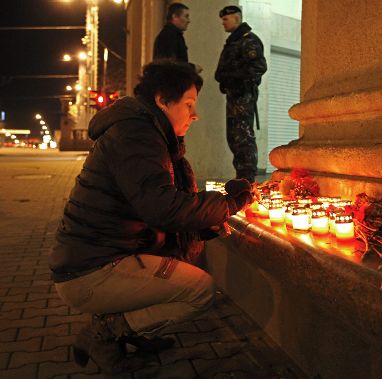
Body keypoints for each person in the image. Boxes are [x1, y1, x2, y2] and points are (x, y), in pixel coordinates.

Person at [49, 60, 256, 375]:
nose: (194, 114)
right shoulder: (136, 135)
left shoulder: (144, 131)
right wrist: (227, 204)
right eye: (188, 104)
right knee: (200, 291)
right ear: (162, 100)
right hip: (89, 270)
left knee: (179, 269)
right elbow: (163, 207)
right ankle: (106, 333)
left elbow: (160, 209)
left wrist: (205, 221)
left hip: (101, 254)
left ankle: (127, 331)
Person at [215, 5, 267, 184]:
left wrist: (235, 79)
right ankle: (241, 178)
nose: (223, 22)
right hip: (233, 96)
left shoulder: (248, 40)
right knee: (234, 137)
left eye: (226, 19)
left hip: (243, 96)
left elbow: (258, 67)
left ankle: (247, 179)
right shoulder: (233, 42)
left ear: (236, 18)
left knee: (243, 137)